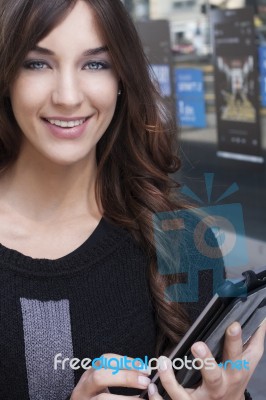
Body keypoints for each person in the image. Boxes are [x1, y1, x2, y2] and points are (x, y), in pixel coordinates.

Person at [0, 1, 264, 399]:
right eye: (37, 63)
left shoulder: (182, 242)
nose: (69, 96)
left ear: (122, 75)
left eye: (95, 64)